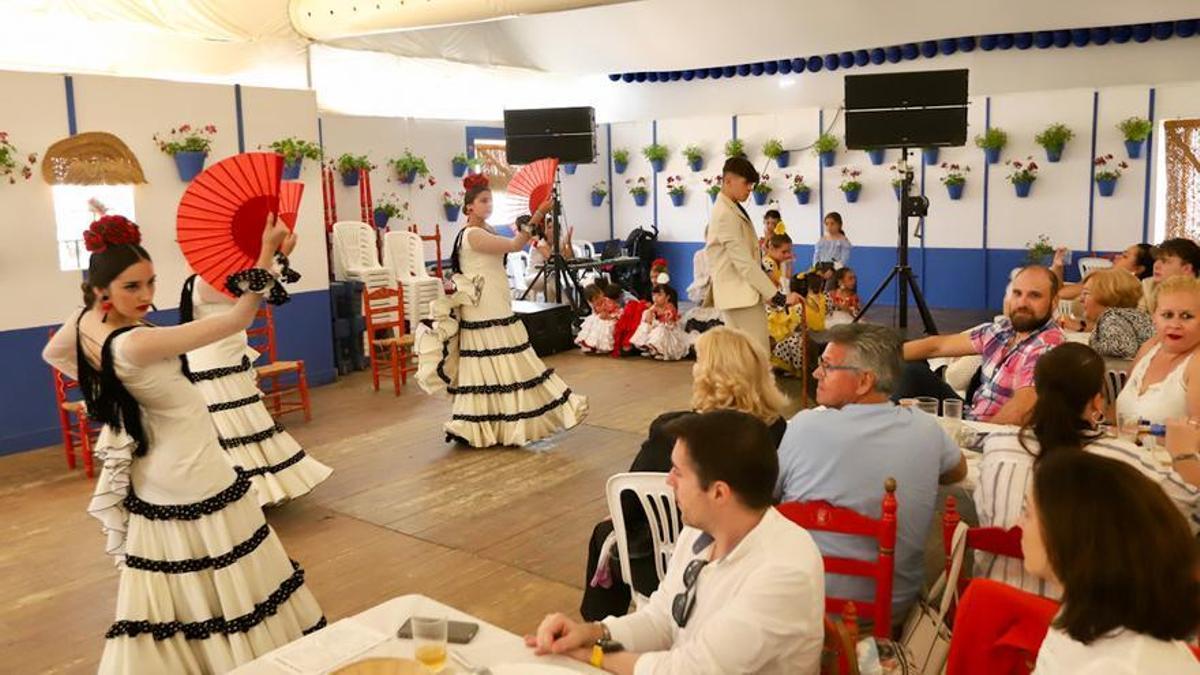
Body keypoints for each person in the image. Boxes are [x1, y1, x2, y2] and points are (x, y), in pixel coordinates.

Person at [42, 215, 324, 673]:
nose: (147, 296)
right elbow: (238, 317)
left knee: (182, 573)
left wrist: (110, 389)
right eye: (132, 286)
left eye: (151, 282)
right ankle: (241, 657)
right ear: (102, 290)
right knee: (226, 568)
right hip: (193, 472)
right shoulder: (133, 344)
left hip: (160, 473)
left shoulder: (85, 323)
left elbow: (54, 353)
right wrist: (267, 252)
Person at [532, 410, 824, 675]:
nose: (668, 481)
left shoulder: (783, 571)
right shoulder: (700, 532)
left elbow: (692, 669)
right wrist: (593, 633)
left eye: (678, 472)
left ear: (719, 493)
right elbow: (662, 619)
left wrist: (594, 656)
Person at [581, 327, 790, 620]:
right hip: (748, 549)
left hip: (674, 559)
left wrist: (617, 515)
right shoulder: (777, 429)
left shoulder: (675, 434)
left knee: (606, 531)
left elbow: (628, 500)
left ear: (709, 375)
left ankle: (598, 626)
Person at [976, 343, 1200, 598]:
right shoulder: (1123, 458)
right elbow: (1189, 514)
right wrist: (1183, 452)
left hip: (993, 604)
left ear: (1036, 391)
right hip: (1081, 618)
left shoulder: (997, 445)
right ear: (1096, 401)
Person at [776, 323, 966, 623]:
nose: (816, 374)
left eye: (827, 366)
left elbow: (769, 497)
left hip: (800, 613)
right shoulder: (927, 429)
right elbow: (957, 472)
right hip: (889, 615)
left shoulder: (802, 427)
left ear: (864, 381)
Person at [418, 174, 588, 447]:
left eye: (490, 201)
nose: (489, 205)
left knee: (500, 361)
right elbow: (513, 245)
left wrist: (531, 223)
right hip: (484, 308)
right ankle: (485, 424)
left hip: (494, 302)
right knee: (499, 359)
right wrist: (539, 213)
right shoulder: (473, 234)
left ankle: (496, 423)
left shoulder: (486, 230)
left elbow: (512, 242)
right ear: (469, 206)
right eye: (483, 201)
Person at [177, 245, 333, 507]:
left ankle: (260, 486)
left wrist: (272, 259)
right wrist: (268, 264)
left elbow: (255, 290)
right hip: (213, 366)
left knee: (244, 423)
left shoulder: (214, 282)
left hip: (229, 361)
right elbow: (246, 297)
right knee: (230, 425)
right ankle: (243, 489)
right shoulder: (201, 283)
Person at [1022, 451, 1200, 673]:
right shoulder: (1084, 614)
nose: (1019, 525)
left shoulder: (1118, 666)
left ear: (1073, 536)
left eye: (1028, 514)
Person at [893, 266, 1065, 423]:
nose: (1022, 303)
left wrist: (973, 439)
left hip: (986, 429)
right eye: (1017, 293)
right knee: (910, 366)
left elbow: (1020, 411)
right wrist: (874, 356)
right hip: (970, 413)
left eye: (1034, 295)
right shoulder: (1004, 329)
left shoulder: (1047, 346)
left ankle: (881, 435)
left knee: (908, 374)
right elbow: (938, 346)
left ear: (1054, 301)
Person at [704, 156, 797, 351]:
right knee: (758, 356)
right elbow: (744, 263)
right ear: (728, 181)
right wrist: (778, 297)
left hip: (742, 294)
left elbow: (749, 255)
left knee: (744, 359)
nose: (750, 188)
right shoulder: (724, 214)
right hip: (739, 296)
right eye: (746, 183)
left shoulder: (731, 207)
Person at [1116, 274, 1200, 426]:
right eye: (1167, 315)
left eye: (1186, 316)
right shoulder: (1149, 348)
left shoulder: (1196, 364)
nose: (1175, 324)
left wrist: (1137, 436)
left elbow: (1196, 436)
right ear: (1154, 316)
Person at [1057, 268, 1154, 359]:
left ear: (1107, 296)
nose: (1080, 299)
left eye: (1086, 293)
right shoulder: (1133, 316)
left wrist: (1087, 349)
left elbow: (1120, 348)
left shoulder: (1112, 317)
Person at [1052, 242, 1155, 301]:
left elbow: (1061, 293)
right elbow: (1061, 290)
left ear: (1138, 269)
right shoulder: (1104, 275)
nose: (1117, 257)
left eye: (1125, 256)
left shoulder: (1112, 284)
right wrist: (1058, 266)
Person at [1141, 237, 1200, 315]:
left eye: (1165, 261)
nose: (1156, 265)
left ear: (1187, 269)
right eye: (1156, 260)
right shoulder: (1149, 286)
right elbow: (1139, 319)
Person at [630, 283, 689, 361]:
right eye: (654, 295)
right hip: (658, 326)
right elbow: (649, 316)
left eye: (659, 295)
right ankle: (650, 348)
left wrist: (663, 320)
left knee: (661, 329)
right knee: (646, 315)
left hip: (669, 329)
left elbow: (668, 323)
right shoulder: (655, 306)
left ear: (667, 297)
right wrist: (649, 313)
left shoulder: (670, 307)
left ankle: (661, 351)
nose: (655, 298)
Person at [577, 283, 622, 354]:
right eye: (594, 300)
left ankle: (603, 346)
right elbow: (596, 313)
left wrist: (606, 314)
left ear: (601, 293)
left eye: (598, 297)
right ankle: (591, 344)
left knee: (604, 325)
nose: (598, 300)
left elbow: (613, 309)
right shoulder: (595, 305)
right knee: (591, 322)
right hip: (601, 317)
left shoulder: (607, 301)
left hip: (611, 316)